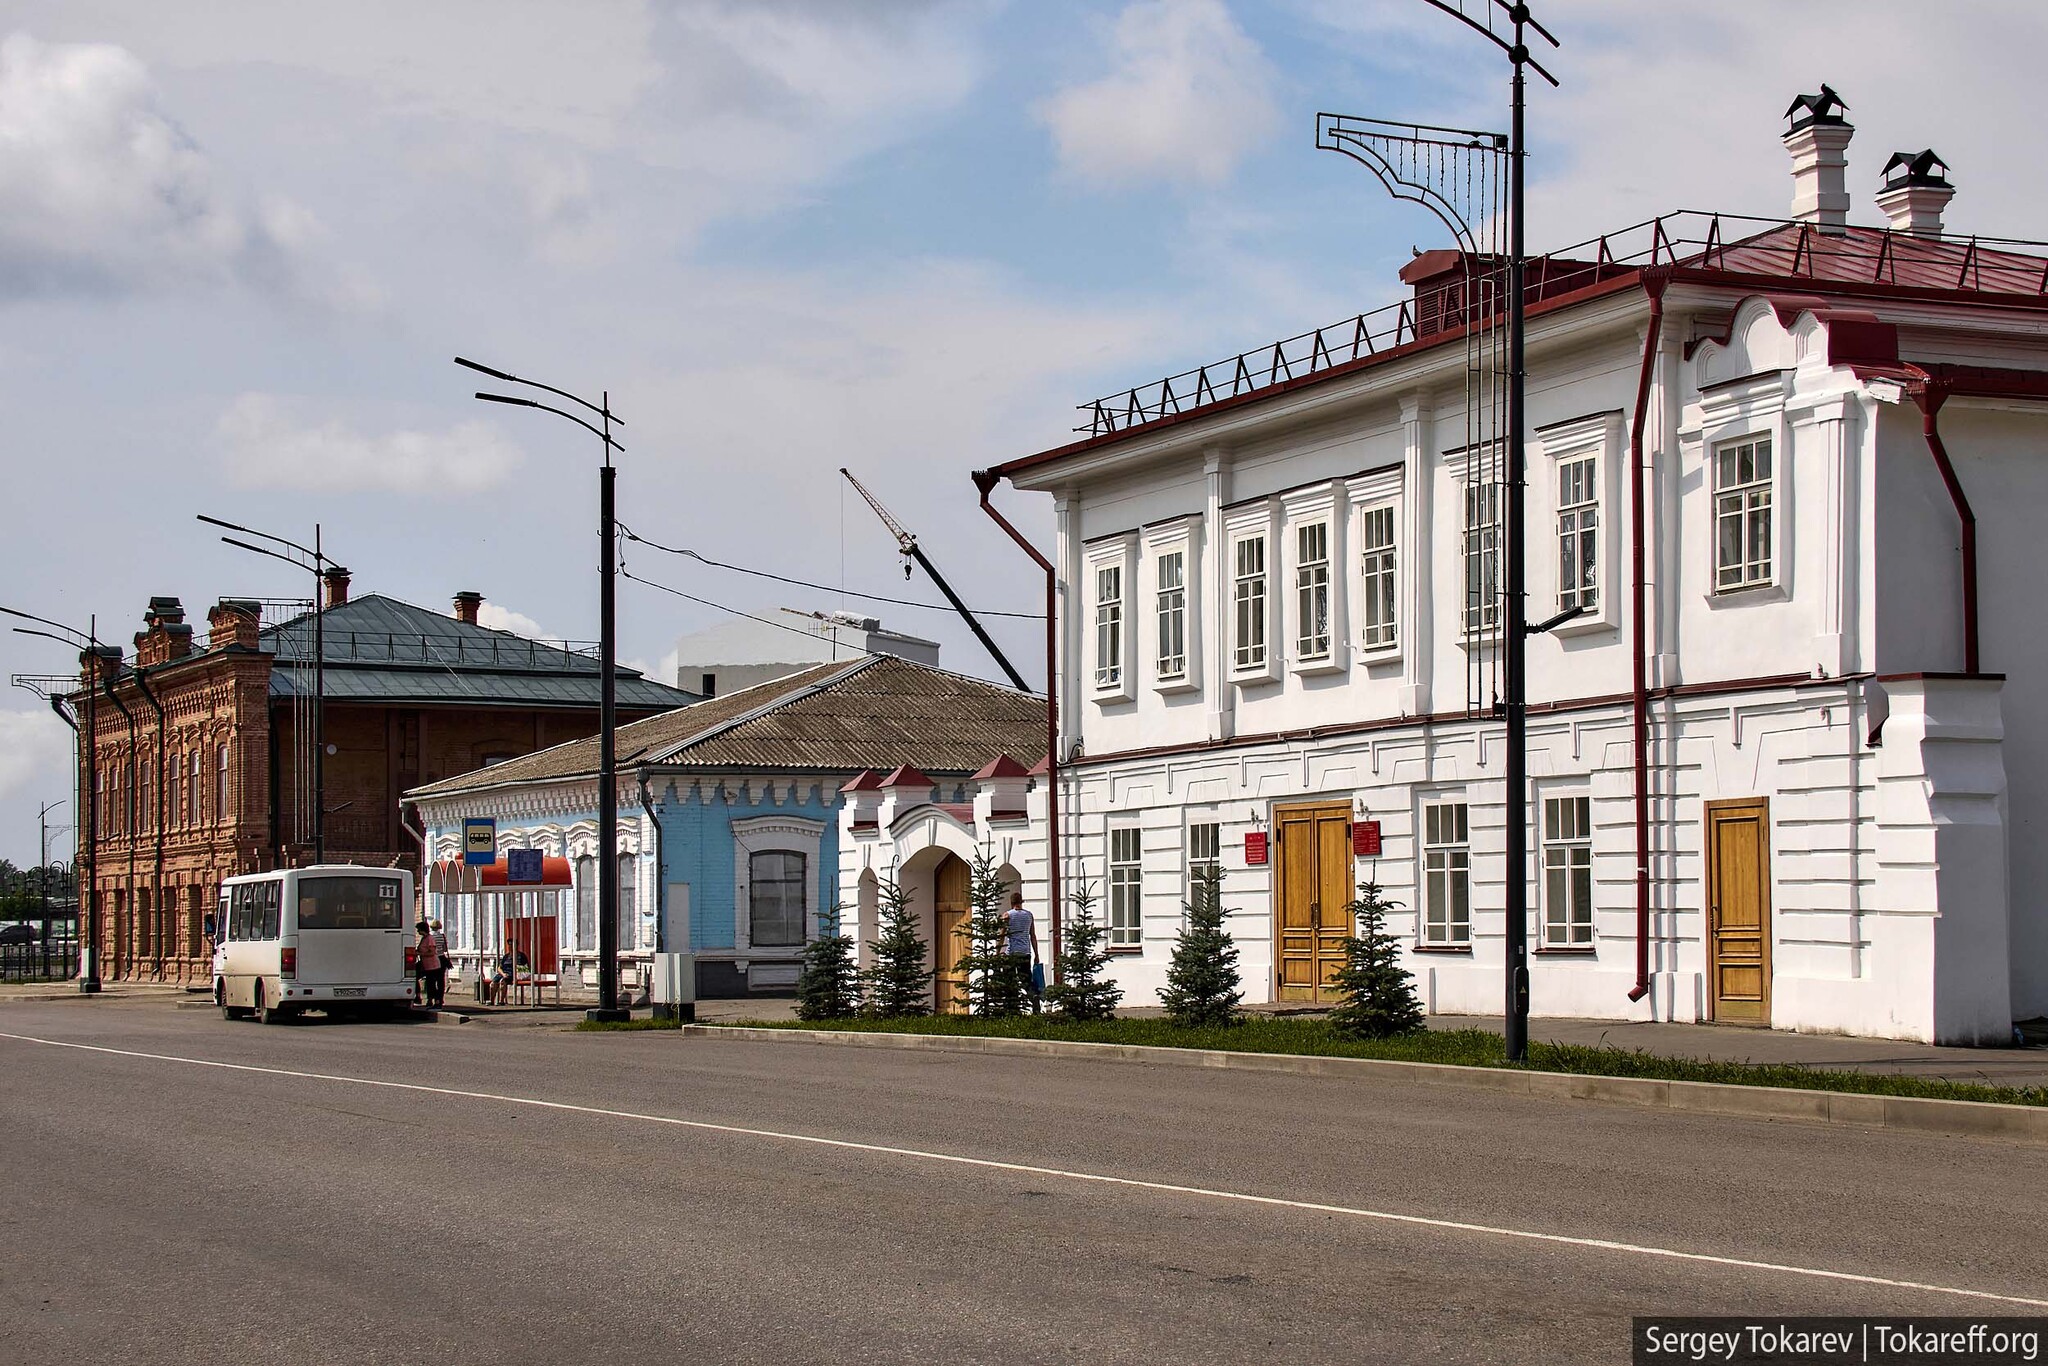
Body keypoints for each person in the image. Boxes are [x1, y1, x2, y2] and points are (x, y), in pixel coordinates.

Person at [1004, 890, 1040, 1014]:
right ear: (1021, 902)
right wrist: (1036, 954)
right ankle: (1034, 998)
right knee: (1026, 980)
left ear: (1011, 903)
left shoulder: (1008, 915)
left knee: (1010, 980)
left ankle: (1012, 1008)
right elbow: (1033, 936)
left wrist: (997, 952)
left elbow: (1002, 935)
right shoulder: (1029, 915)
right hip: (1025, 952)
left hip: (1012, 953)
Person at [414, 920, 443, 1008]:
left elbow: (432, 952)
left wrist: (419, 954)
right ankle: (430, 1000)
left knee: (432, 983)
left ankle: (437, 1002)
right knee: (429, 983)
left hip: (433, 965)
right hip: (426, 965)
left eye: (419, 930)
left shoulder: (430, 938)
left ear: (423, 930)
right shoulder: (424, 938)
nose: (418, 932)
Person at [430, 919, 450, 1004]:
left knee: (431, 979)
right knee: (440, 980)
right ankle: (440, 998)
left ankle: (432, 998)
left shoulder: (430, 936)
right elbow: (445, 949)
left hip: (433, 959)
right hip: (442, 958)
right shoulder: (442, 936)